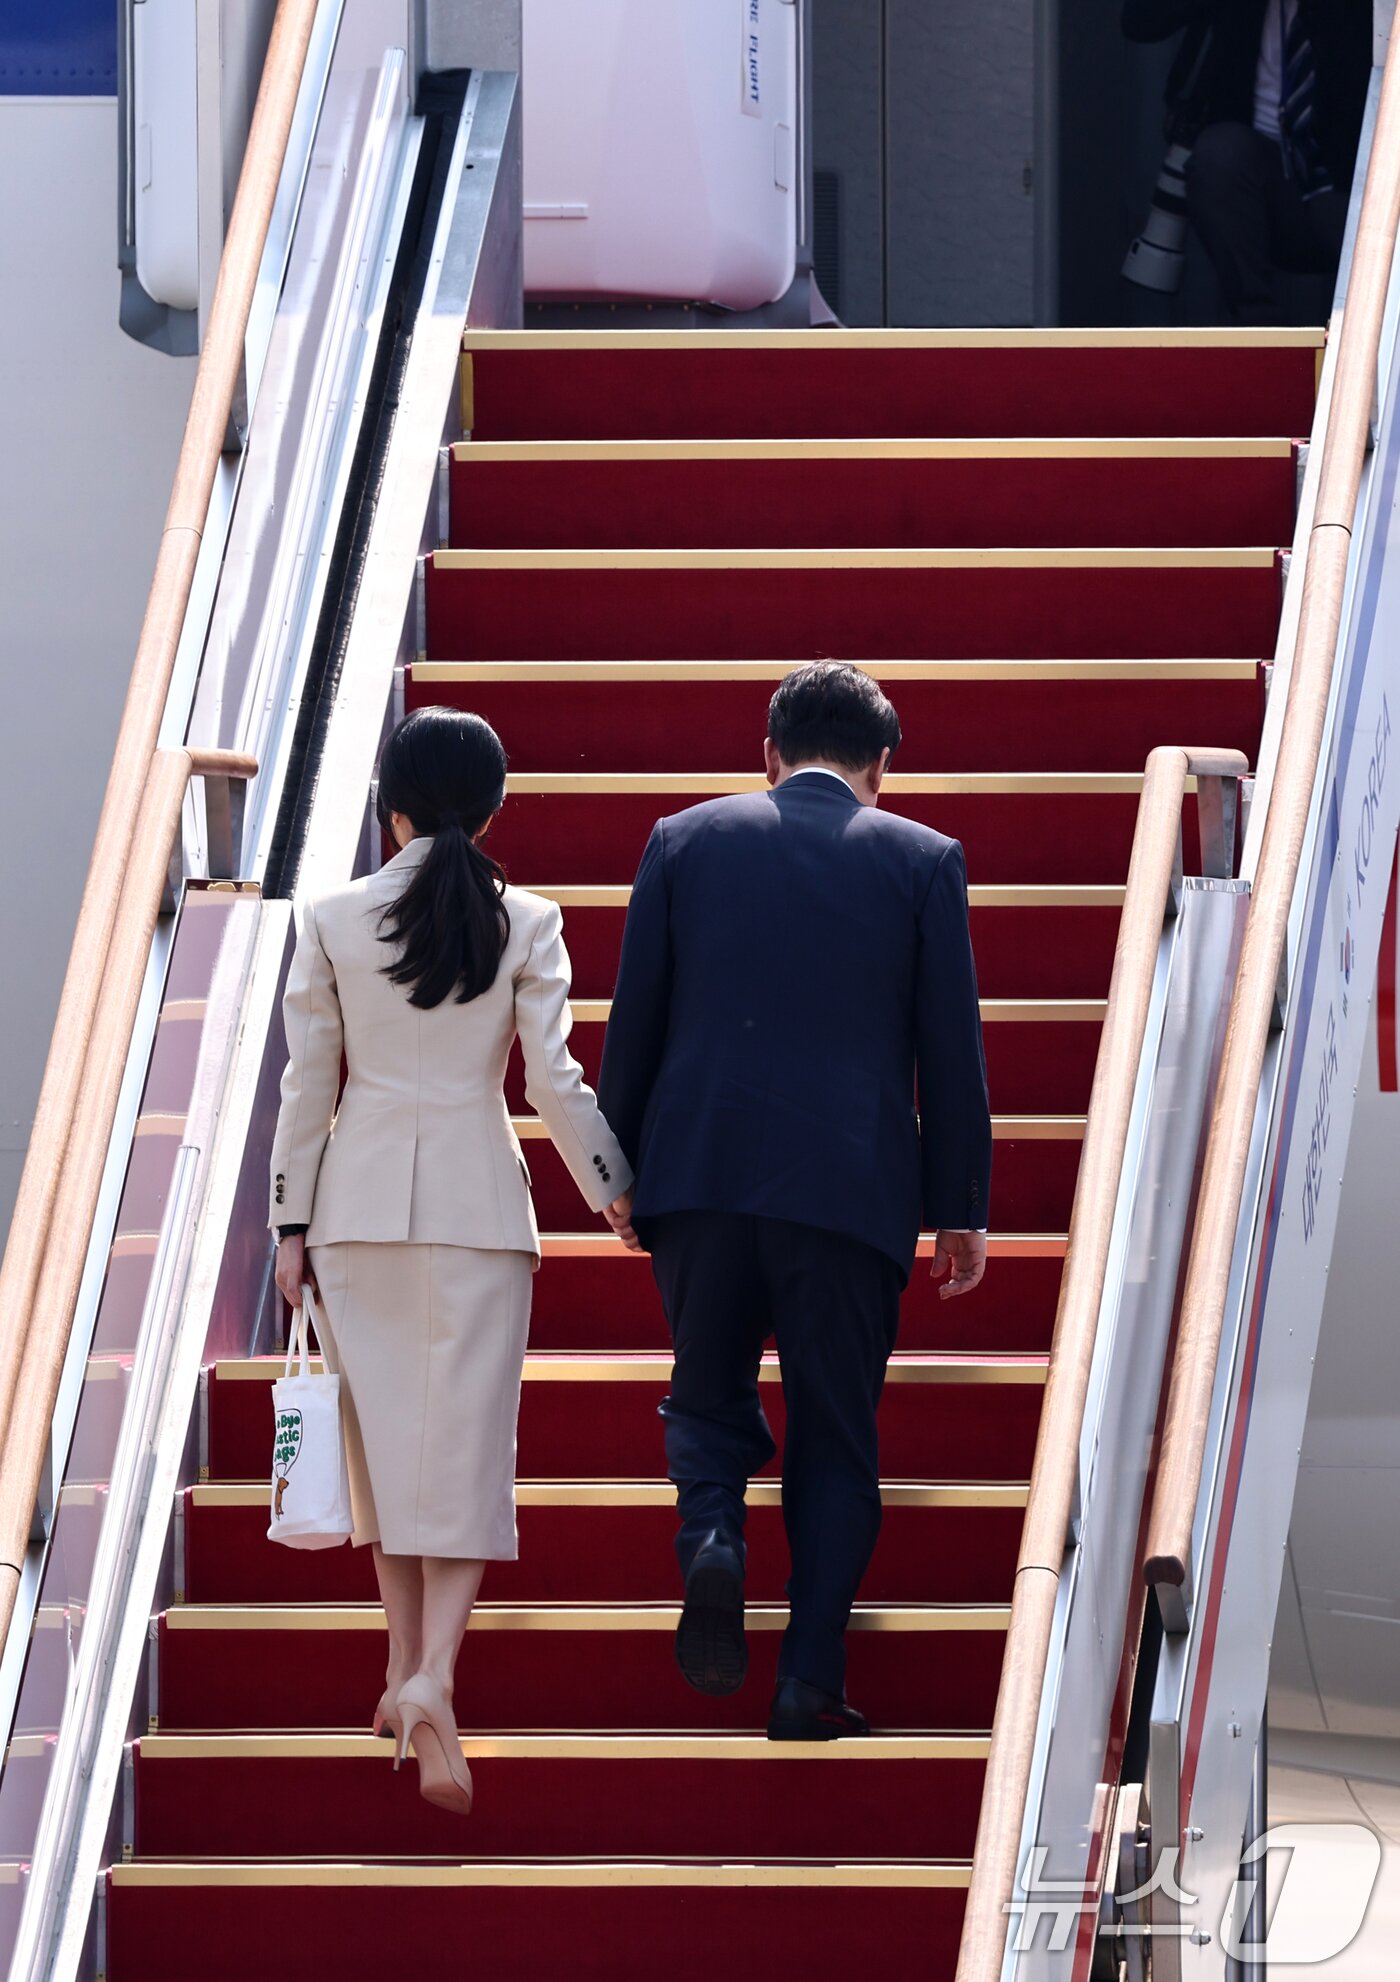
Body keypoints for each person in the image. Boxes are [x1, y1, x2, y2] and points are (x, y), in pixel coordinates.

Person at [597, 661, 993, 1740]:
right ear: (880, 768)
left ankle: (713, 1539)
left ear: (765, 753)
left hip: (702, 1175)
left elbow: (634, 1025)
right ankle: (807, 1676)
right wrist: (959, 1203)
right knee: (835, 1430)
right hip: (848, 1187)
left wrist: (619, 1171)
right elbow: (945, 1048)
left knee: (705, 1391)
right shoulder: (921, 859)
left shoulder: (681, 840)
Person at [268, 707, 633, 1816]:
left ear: (392, 805)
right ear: (492, 805)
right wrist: (615, 1185)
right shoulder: (526, 915)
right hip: (480, 1208)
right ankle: (430, 1677)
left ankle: (401, 1673)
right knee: (467, 1450)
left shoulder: (332, 913)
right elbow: (553, 1081)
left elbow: (307, 1084)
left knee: (386, 1457)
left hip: (356, 1209)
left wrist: (289, 1225)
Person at [1124, 0, 1370, 322]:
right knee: (1220, 155)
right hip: (1266, 187)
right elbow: (1140, 21)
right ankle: (1261, 338)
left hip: (1354, 193)